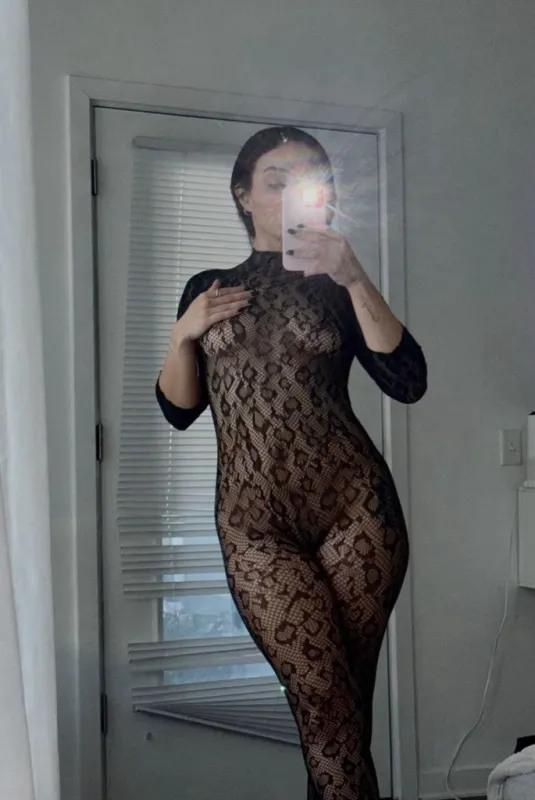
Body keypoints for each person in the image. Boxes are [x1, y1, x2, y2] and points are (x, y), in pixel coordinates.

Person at [156, 126, 427, 800]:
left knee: (339, 710)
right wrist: (183, 335)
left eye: (305, 180)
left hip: (355, 513)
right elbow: (179, 410)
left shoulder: (337, 283)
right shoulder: (208, 287)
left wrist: (354, 275)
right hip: (256, 528)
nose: (288, 193)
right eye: (274, 180)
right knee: (326, 704)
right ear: (243, 195)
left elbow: (407, 380)